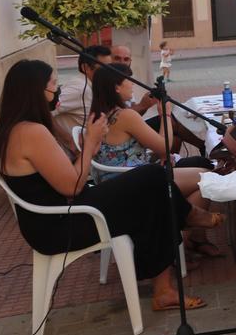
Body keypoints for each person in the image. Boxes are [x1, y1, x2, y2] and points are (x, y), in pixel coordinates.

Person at [0, 60, 220, 312]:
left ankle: (166, 287)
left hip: (62, 216)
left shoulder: (18, 130)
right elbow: (72, 186)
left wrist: (89, 146)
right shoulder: (30, 132)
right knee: (151, 178)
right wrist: (90, 142)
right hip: (63, 225)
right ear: (34, 91)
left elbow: (67, 177)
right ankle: (188, 216)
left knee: (151, 189)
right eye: (53, 84)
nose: (58, 89)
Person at [88, 64, 221, 260]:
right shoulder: (125, 116)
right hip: (134, 185)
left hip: (117, 182)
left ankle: (191, 239)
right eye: (129, 81)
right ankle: (178, 241)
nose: (132, 86)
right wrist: (165, 114)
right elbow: (164, 146)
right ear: (116, 87)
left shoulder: (100, 114)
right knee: (207, 178)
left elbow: (129, 150)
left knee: (201, 179)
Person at [52, 44, 113, 155]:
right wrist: (69, 141)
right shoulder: (79, 88)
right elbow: (41, 111)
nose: (110, 73)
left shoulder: (94, 86)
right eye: (104, 68)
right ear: (86, 68)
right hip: (78, 157)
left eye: (111, 67)